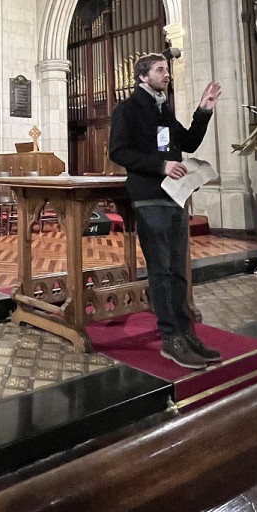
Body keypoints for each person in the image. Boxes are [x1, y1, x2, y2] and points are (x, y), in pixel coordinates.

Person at [108, 53, 224, 370]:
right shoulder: (128, 109)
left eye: (167, 69)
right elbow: (117, 151)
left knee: (177, 270)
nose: (166, 74)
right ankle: (170, 339)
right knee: (160, 270)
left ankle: (187, 334)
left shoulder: (163, 108)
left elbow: (187, 141)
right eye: (160, 70)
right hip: (149, 198)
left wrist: (203, 111)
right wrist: (161, 165)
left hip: (174, 198)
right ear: (143, 76)